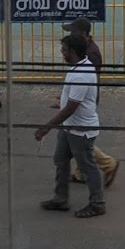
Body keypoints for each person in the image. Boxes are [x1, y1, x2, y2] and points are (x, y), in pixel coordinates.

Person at [35, 32, 105, 218]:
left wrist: (46, 127)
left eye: (64, 50)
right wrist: (62, 101)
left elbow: (72, 108)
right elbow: (71, 101)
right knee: (60, 159)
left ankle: (97, 204)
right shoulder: (77, 67)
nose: (61, 53)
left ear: (72, 51)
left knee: (88, 167)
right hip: (69, 127)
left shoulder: (82, 74)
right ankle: (61, 198)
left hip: (80, 130)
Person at [64, 17, 119, 188]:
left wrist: (71, 100)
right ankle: (81, 173)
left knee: (80, 139)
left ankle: (108, 163)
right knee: (77, 136)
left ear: (82, 34)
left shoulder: (90, 54)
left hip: (84, 100)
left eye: (72, 32)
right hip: (80, 97)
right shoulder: (86, 49)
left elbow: (85, 82)